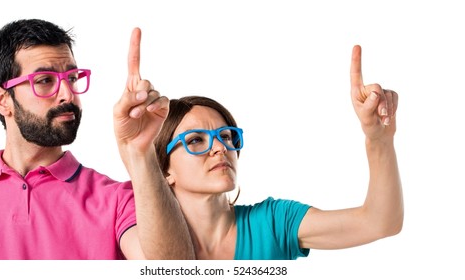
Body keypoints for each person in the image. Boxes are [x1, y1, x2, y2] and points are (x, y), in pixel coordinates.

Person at [0, 19, 194, 260]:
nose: (68, 94)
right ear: (2, 100)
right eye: (44, 81)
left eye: (72, 78)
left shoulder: (118, 200)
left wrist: (140, 152)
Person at [153, 45, 403, 260]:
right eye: (196, 140)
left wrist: (379, 139)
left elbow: (380, 222)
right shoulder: (140, 238)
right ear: (164, 170)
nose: (220, 148)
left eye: (226, 136)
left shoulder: (274, 222)